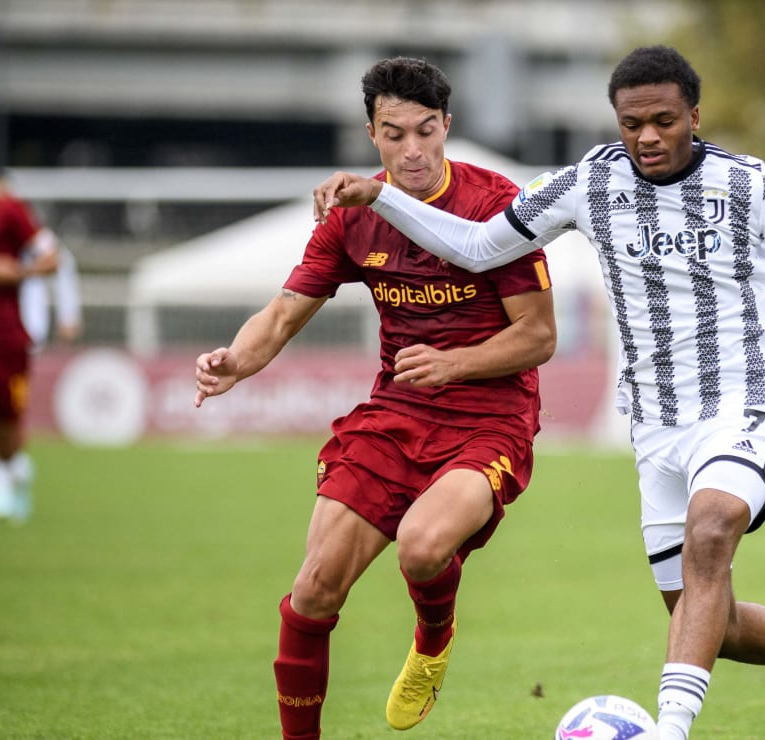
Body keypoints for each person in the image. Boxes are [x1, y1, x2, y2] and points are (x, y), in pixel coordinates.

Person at [314, 45, 765, 740]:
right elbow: (477, 246)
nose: (647, 136)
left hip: (747, 398)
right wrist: (384, 197)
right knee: (713, 622)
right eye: (631, 123)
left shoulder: (751, 185)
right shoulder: (589, 183)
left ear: (694, 117)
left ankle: (667, 732)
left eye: (664, 120)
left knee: (710, 535)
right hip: (656, 422)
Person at [194, 57, 556, 739]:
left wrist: (454, 365)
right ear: (372, 135)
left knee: (421, 548)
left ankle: (432, 637)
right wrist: (234, 362)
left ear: (447, 125)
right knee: (312, 591)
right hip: (396, 413)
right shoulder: (353, 216)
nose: (413, 150)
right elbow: (280, 316)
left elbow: (537, 338)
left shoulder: (496, 204)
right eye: (395, 135)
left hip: (489, 417)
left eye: (426, 131)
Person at [0, 132, 59, 560]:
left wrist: (19, 273)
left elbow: (51, 256)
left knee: (5, 442)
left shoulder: (5, 210)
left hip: (5, 344)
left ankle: (15, 469)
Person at [0, 166, 83, 525]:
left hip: (20, 339)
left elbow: (62, 264)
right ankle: (0, 481)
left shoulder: (29, 235)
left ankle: (13, 471)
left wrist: (69, 315)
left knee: (6, 416)